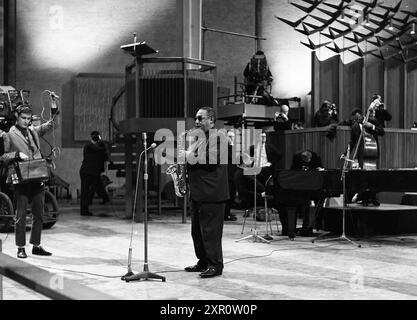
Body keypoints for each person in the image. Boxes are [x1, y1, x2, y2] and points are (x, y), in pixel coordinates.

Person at [0, 105, 58, 258]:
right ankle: (20, 247)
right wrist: (17, 154)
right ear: (17, 117)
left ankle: (36, 245)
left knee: (39, 213)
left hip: (37, 175)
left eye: (28, 118)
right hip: (22, 179)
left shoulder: (33, 130)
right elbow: (3, 157)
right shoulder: (9, 135)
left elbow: (50, 125)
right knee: (20, 214)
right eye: (23, 118)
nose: (26, 121)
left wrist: (53, 108)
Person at [184, 107, 229, 278]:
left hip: (212, 193)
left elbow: (210, 159)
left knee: (211, 232)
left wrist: (188, 155)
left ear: (211, 120)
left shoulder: (220, 137)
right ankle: (203, 261)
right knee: (197, 232)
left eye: (199, 118)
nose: (196, 122)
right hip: (198, 192)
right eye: (195, 118)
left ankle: (215, 265)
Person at [349, 106, 385, 206]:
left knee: (373, 176)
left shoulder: (372, 121)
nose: (357, 120)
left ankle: (373, 197)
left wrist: (372, 127)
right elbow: (352, 142)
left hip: (372, 152)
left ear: (362, 115)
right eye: (355, 119)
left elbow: (382, 132)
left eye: (358, 117)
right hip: (361, 155)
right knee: (363, 177)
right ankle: (364, 197)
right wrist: (345, 153)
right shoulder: (355, 127)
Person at [79, 131, 110, 216]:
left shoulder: (99, 147)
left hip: (94, 173)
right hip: (86, 172)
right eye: (95, 136)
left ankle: (105, 199)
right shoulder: (88, 146)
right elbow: (99, 150)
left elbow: (105, 156)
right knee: (86, 192)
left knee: (96, 188)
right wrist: (104, 144)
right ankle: (84, 211)